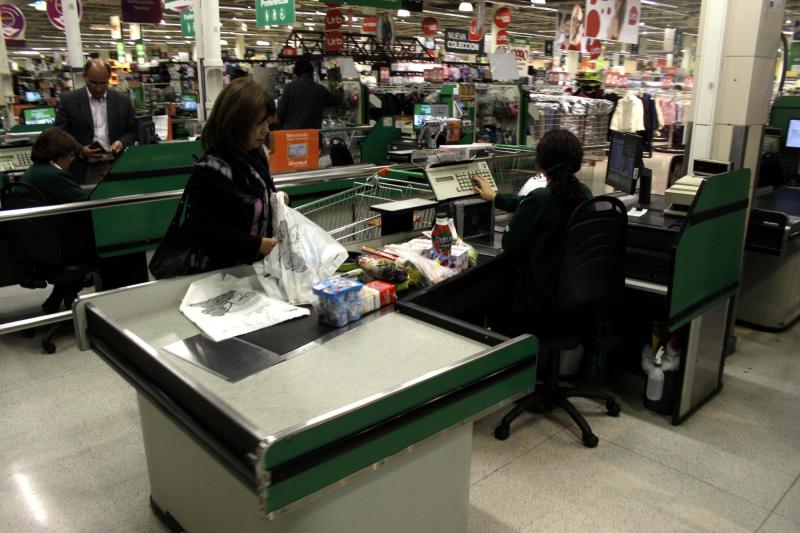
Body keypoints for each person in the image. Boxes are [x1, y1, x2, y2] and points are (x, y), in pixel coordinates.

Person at [472, 128, 592, 333]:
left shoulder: (540, 199)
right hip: (574, 295)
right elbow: (533, 203)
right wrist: (496, 197)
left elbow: (509, 244)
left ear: (542, 163)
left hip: (537, 300)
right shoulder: (585, 194)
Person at [183, 78, 287, 272]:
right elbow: (203, 231)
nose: (265, 130)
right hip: (221, 274)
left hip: (255, 270)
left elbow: (261, 196)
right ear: (235, 122)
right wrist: (255, 244)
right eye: (258, 123)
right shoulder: (211, 170)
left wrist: (276, 199)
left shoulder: (254, 155)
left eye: (266, 122)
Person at [18, 128, 95, 312]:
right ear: (60, 155)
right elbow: (87, 205)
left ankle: (58, 298)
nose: (72, 159)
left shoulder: (32, 172)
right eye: (71, 155)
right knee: (113, 246)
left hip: (39, 248)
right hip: (61, 250)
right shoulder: (54, 175)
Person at [55, 59, 137, 184]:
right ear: (84, 77)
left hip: (116, 165)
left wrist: (121, 142)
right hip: (82, 168)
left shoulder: (122, 101)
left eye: (103, 83)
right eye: (93, 83)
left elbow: (132, 132)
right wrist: (81, 150)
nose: (98, 89)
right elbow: (60, 134)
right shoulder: (69, 101)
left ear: (109, 79)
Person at [277, 59, 343, 130]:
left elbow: (280, 112)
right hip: (312, 136)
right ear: (311, 72)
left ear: (296, 73)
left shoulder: (289, 88)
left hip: (291, 136)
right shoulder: (319, 89)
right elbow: (336, 101)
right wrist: (339, 89)